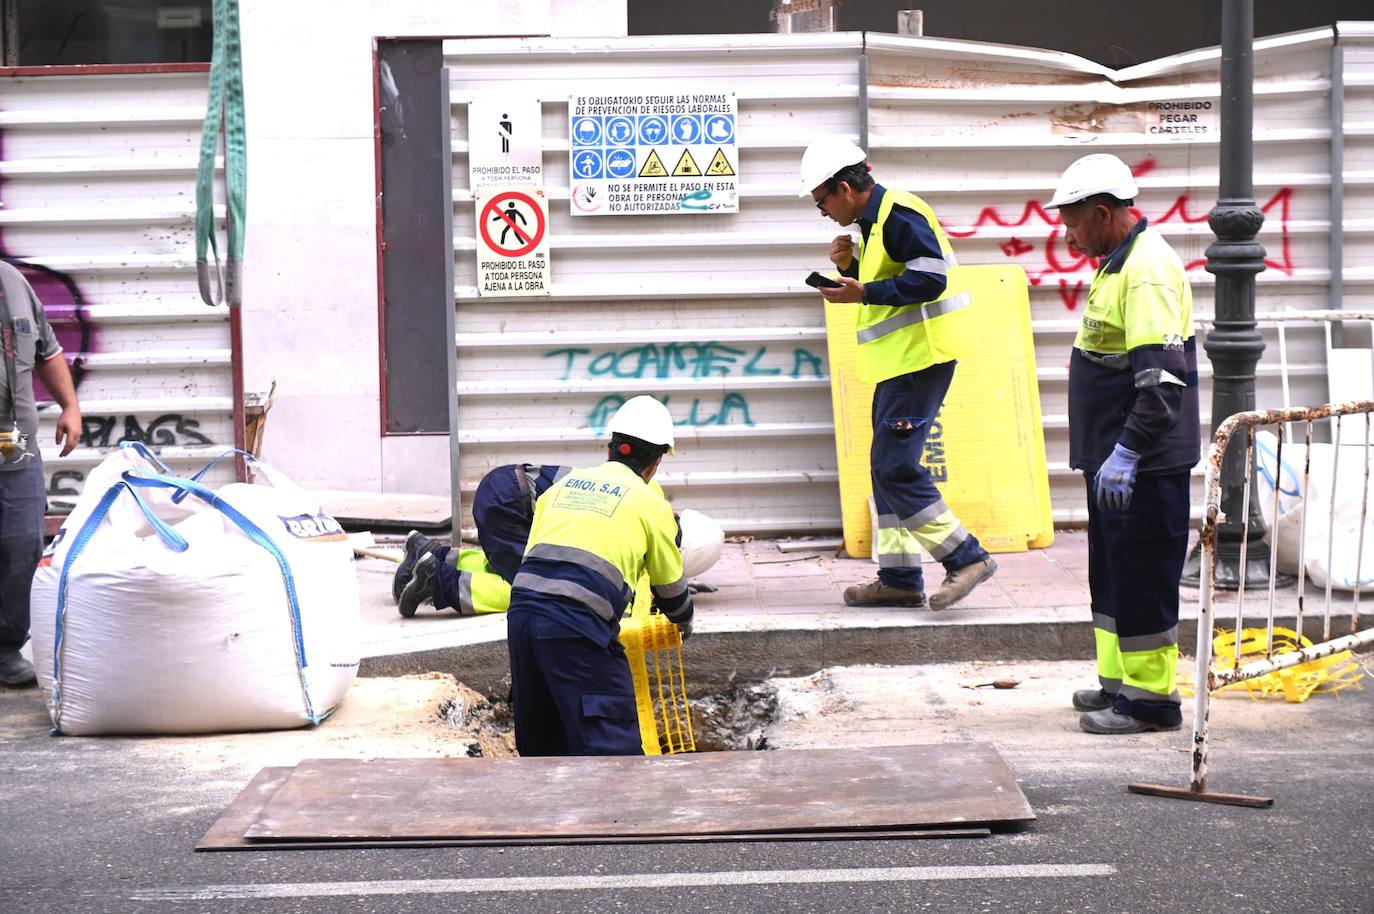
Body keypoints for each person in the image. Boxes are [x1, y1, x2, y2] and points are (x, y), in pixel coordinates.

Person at [800, 137, 997, 611]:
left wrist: (862, 290)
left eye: (822, 201)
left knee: (896, 467)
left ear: (844, 188)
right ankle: (900, 578)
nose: (823, 212)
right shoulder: (875, 221)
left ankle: (966, 558)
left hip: (920, 360)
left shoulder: (899, 214)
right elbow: (897, 273)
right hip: (900, 363)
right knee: (883, 468)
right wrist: (850, 267)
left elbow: (931, 279)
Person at [1047, 153, 1200, 735]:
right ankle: (1117, 686)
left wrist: (1131, 450)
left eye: (1073, 220)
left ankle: (1152, 702)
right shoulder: (1117, 263)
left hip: (1144, 464)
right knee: (1112, 572)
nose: (1068, 232)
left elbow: (1160, 380)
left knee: (1142, 576)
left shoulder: (1147, 271)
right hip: (1112, 460)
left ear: (1103, 212)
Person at [501, 395, 691, 756]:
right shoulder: (652, 505)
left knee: (543, 751)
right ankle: (615, 814)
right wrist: (685, 621)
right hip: (577, 627)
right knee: (613, 750)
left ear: (610, 449)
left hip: (522, 620)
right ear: (655, 462)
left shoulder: (558, 490)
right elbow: (671, 590)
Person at [0, 262, 81, 687]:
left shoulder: (13, 282)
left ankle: (5, 649)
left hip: (16, 449)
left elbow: (47, 350)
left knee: (21, 546)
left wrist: (69, 405)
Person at [394, 463, 571, 618]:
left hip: (502, 484)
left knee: (505, 568)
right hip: (512, 502)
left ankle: (433, 555)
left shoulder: (590, 479)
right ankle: (436, 580)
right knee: (529, 589)